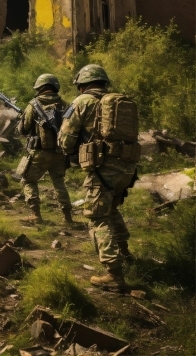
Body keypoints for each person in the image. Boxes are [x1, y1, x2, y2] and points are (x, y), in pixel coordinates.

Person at [59, 64, 140, 290]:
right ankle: (125, 254)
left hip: (102, 168)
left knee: (96, 217)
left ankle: (114, 274)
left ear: (82, 84)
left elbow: (66, 138)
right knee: (111, 208)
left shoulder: (82, 102)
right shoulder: (120, 100)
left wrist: (69, 150)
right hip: (127, 166)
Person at [16, 74, 73, 224]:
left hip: (39, 152)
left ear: (39, 88)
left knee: (28, 180)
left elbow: (23, 130)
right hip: (60, 152)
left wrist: (21, 119)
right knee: (59, 182)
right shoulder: (64, 104)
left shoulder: (33, 104)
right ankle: (67, 217)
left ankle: (36, 214)